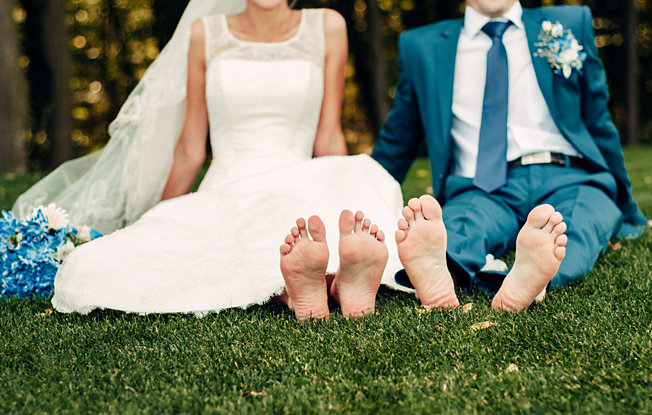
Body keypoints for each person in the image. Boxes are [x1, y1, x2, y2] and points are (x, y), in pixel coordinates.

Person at [15, 0, 410, 320]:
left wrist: (341, 199)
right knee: (101, 264)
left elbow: (328, 135)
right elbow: (190, 148)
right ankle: (312, 288)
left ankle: (328, 282)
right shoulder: (206, 33)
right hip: (228, 186)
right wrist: (154, 221)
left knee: (308, 216)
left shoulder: (328, 25)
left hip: (301, 176)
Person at [372, 0, 647, 312]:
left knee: (577, 221)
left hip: (569, 175)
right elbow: (398, 139)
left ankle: (535, 277)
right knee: (463, 224)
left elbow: (598, 121)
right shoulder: (421, 45)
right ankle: (441, 270)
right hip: (480, 185)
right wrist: (365, 198)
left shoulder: (569, 22)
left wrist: (626, 206)